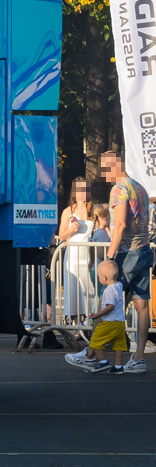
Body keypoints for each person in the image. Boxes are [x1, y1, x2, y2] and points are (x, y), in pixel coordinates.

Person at [101, 150, 152, 372]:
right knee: (142, 305)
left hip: (127, 252)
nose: (103, 174)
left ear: (115, 165)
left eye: (105, 168)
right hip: (143, 250)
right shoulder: (140, 187)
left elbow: (120, 224)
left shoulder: (118, 189)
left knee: (108, 299)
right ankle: (138, 357)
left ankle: (94, 353)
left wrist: (110, 255)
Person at [70, 260, 129, 374]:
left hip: (109, 322)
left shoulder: (109, 290)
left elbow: (110, 306)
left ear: (104, 277)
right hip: (120, 322)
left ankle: (103, 362)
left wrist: (98, 315)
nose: (99, 279)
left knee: (95, 341)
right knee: (118, 344)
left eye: (99, 276)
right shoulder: (119, 285)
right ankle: (118, 367)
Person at [59, 177, 93, 318]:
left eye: (85, 188)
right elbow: (61, 236)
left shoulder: (93, 209)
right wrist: (71, 229)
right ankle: (77, 325)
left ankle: (89, 323)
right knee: (74, 290)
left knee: (89, 290)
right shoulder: (68, 211)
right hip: (73, 256)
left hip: (89, 255)